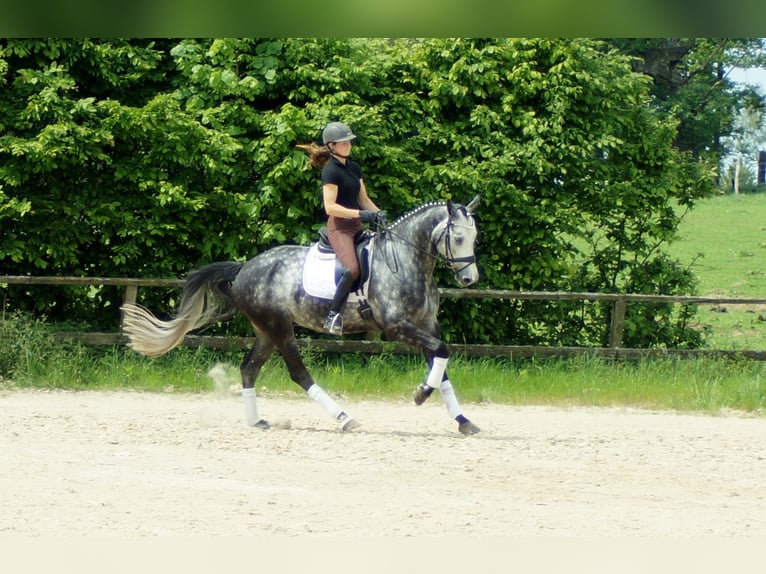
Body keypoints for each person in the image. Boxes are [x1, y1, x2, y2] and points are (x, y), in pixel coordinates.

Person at [297, 121, 387, 335]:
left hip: (357, 226)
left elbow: (363, 199)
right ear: (331, 146)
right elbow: (331, 207)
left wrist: (378, 213)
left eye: (348, 141)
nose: (347, 145)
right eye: (342, 142)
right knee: (351, 269)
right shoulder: (330, 171)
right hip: (339, 228)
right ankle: (333, 314)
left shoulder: (354, 168)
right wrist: (360, 214)